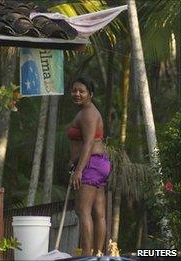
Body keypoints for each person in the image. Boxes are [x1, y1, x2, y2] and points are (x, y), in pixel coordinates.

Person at [67, 78, 111, 256]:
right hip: (99, 163)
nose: (77, 94)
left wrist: (78, 171)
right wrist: (73, 162)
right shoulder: (87, 112)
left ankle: (87, 255)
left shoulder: (88, 113)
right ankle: (98, 254)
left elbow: (88, 143)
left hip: (91, 164)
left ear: (90, 94)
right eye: (74, 90)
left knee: (82, 210)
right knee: (98, 212)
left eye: (81, 91)